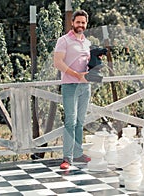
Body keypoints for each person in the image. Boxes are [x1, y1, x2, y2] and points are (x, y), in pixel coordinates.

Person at [54, 10, 91, 169]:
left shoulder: (87, 42)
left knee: (80, 122)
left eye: (83, 22)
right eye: (78, 22)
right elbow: (58, 62)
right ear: (72, 23)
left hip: (85, 86)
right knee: (70, 121)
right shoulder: (64, 41)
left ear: (86, 24)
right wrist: (75, 74)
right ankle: (67, 159)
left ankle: (78, 153)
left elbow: (88, 63)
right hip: (70, 85)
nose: (80, 25)